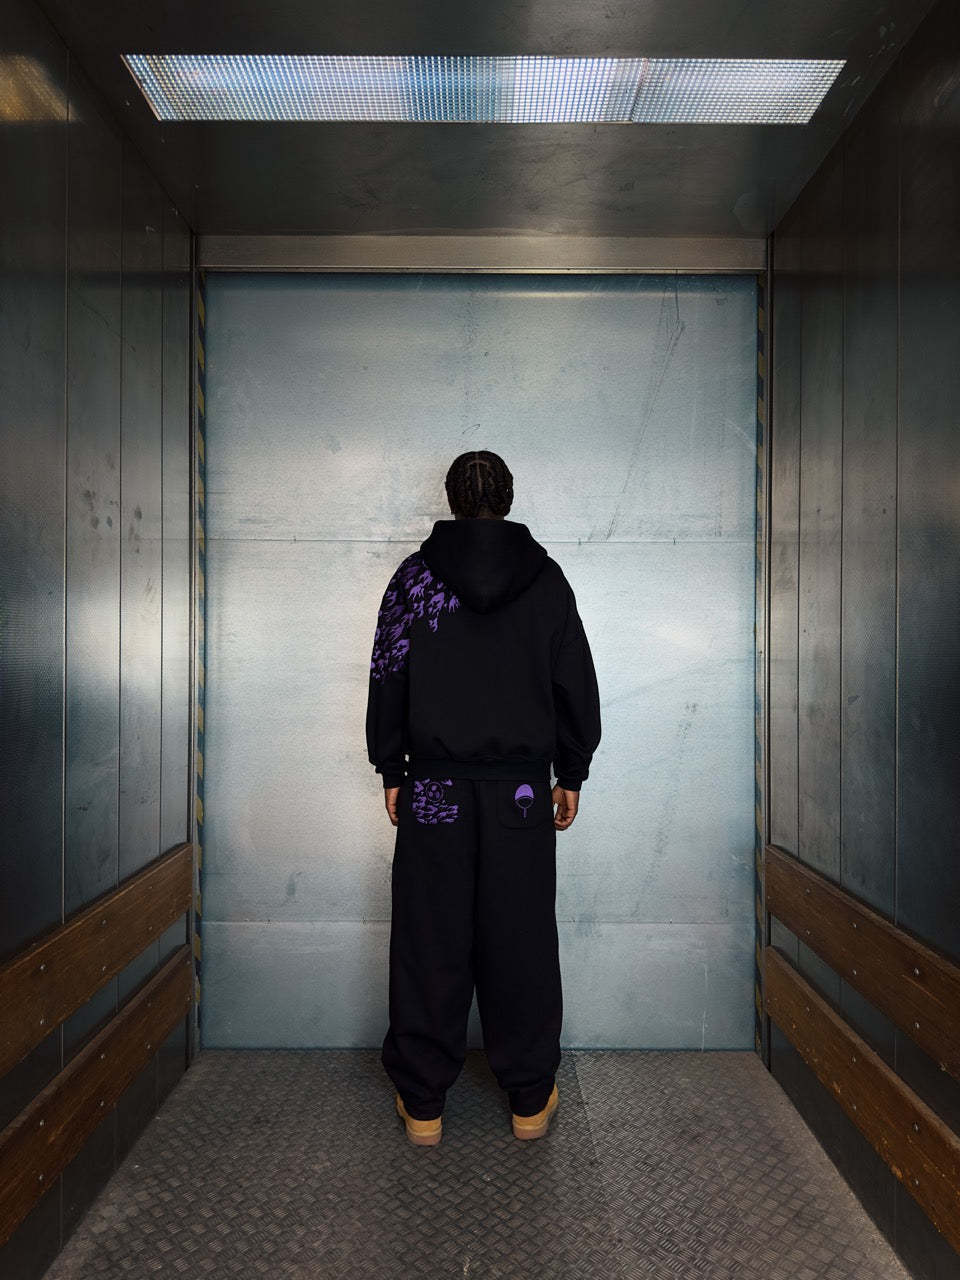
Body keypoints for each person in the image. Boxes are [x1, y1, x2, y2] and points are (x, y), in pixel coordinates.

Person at [364, 450, 601, 1146]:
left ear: (450, 499)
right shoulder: (547, 582)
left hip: (434, 789)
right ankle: (528, 1100)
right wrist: (571, 772)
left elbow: (388, 675)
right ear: (509, 497)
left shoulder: (413, 581)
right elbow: (573, 681)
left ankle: (424, 1106)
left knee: (429, 939)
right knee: (520, 938)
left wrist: (392, 769)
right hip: (522, 793)